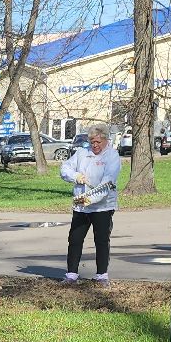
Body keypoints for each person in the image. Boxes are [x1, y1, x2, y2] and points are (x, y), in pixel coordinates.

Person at [59, 122, 121, 284]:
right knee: (75, 238)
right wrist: (75, 176)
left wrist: (87, 199)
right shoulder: (81, 153)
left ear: (106, 140)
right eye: (92, 142)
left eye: (98, 142)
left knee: (101, 239)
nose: (95, 145)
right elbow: (65, 169)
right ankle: (71, 274)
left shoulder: (112, 156)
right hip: (81, 207)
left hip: (102, 206)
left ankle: (101, 275)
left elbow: (107, 183)